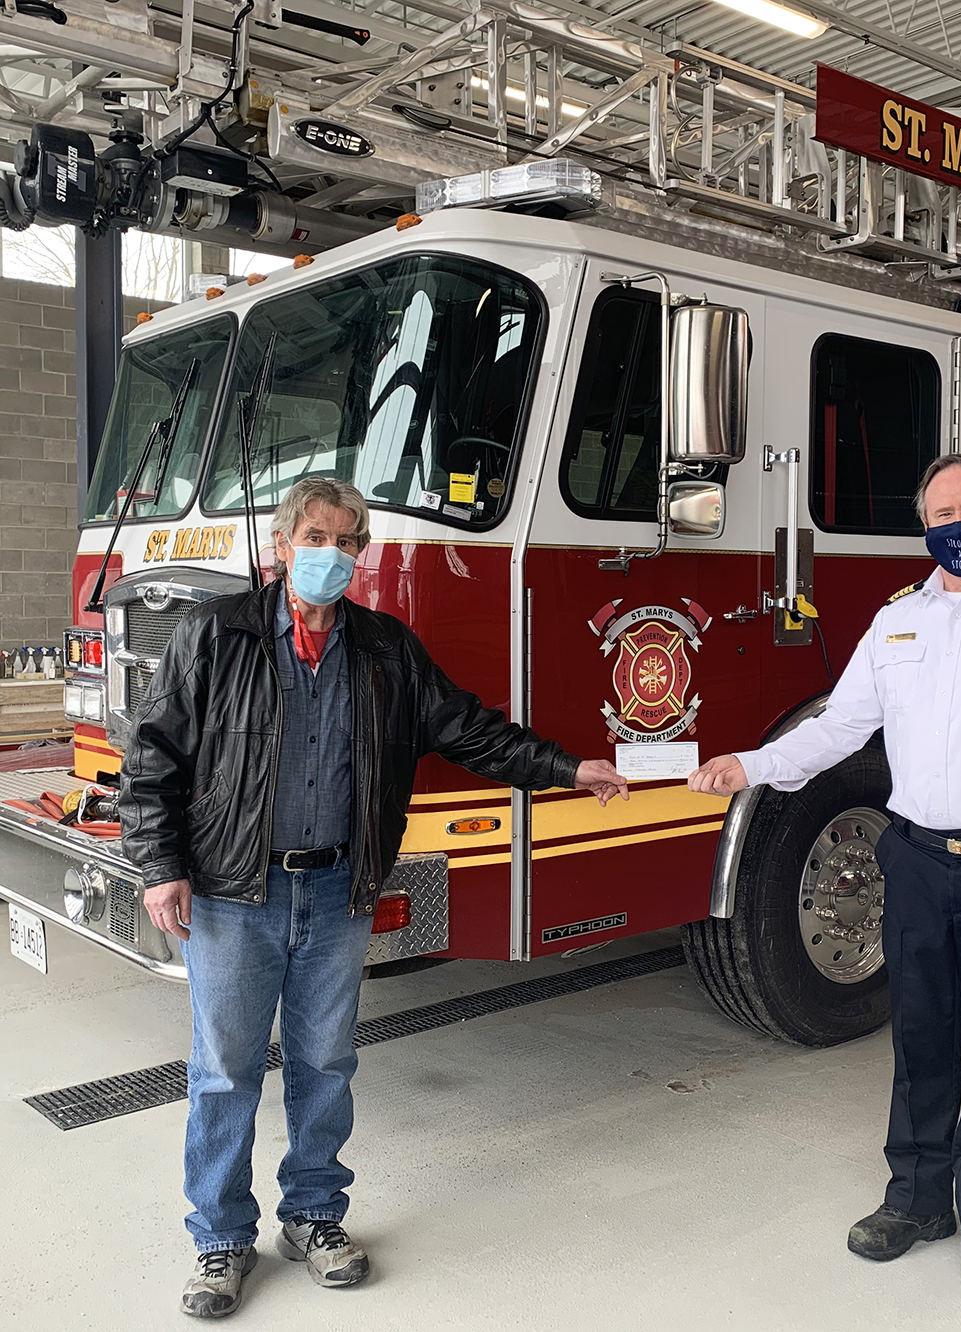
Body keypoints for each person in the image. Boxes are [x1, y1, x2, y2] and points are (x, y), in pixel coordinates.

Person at [119, 476, 628, 1319]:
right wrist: (158, 862)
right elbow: (153, 756)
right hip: (234, 892)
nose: (332, 554)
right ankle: (219, 1237)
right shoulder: (216, 635)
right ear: (283, 546)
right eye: (316, 537)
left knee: (325, 1064)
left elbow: (469, 729)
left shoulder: (387, 648)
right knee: (224, 1072)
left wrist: (569, 768)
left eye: (349, 542)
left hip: (337, 889)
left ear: (362, 555)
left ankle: (314, 1216)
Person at [688, 453, 961, 1296]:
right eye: (941, 513)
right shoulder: (896, 623)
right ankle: (916, 1200)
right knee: (920, 1039)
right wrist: (753, 764)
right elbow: (843, 724)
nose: (957, 525)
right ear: (924, 525)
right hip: (916, 860)